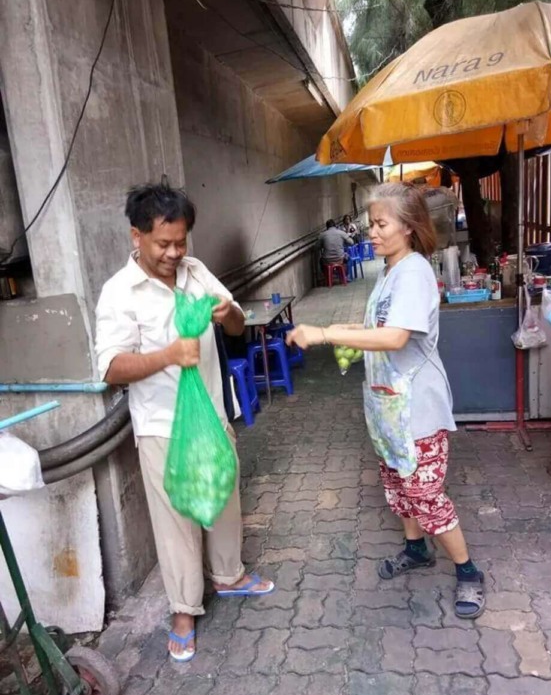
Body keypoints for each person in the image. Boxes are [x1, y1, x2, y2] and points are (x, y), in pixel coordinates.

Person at [287, 182, 485, 619]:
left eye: (380, 224)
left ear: (409, 227)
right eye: (370, 223)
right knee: (399, 487)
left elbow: (395, 337)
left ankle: (468, 570)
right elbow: (379, 328)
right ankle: (416, 550)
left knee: (426, 494)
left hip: (415, 410)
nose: (371, 232)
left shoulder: (413, 272)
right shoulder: (390, 272)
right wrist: (349, 333)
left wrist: (324, 333)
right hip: (387, 406)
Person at [95, 183, 274, 664]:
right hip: (162, 424)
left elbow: (237, 326)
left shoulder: (196, 272)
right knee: (176, 519)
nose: (175, 253)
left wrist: (230, 312)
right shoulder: (119, 293)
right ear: (137, 236)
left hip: (212, 413)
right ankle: (183, 610)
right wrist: (168, 355)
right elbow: (111, 368)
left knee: (223, 495)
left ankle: (230, 575)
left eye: (181, 241)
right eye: (164, 244)